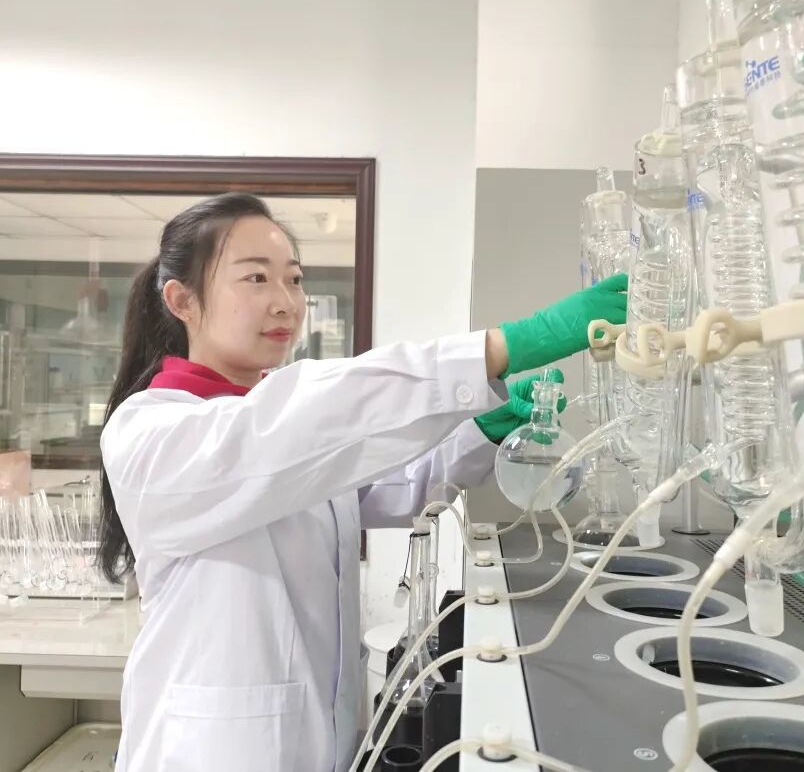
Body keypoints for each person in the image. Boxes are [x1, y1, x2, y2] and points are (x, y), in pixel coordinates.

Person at [98, 193, 628, 772]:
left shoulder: (285, 434)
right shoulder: (150, 431)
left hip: (316, 742)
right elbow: (289, 428)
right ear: (182, 300)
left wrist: (480, 430)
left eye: (294, 280)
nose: (285, 302)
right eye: (256, 278)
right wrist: (501, 346)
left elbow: (387, 487)